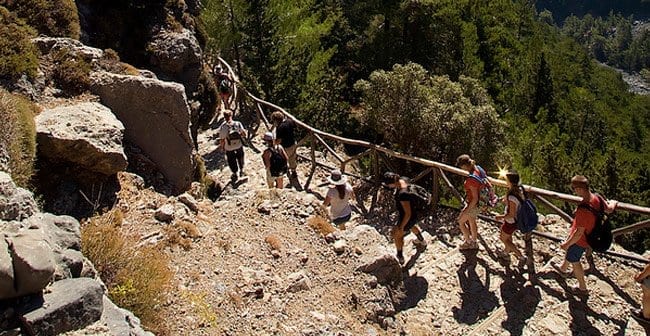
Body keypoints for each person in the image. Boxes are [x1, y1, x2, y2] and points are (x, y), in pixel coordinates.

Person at [552, 175, 616, 295]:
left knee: (574, 260)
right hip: (592, 235)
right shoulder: (597, 197)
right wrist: (614, 202)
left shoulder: (583, 209)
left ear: (580, 189)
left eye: (574, 188)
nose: (574, 191)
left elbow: (578, 233)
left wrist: (566, 244)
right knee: (571, 254)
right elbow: (609, 209)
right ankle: (563, 269)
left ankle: (582, 288)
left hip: (581, 240)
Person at [382, 172, 427, 265]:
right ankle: (422, 240)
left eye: (389, 185)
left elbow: (407, 213)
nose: (389, 187)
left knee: (398, 235)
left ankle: (400, 256)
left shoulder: (403, 194)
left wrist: (401, 227)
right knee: (411, 225)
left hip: (410, 215)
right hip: (417, 211)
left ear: (392, 183)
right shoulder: (404, 178)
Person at [494, 171, 526, 268]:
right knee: (508, 237)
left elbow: (511, 214)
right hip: (516, 221)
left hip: (511, 222)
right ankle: (506, 253)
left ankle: (521, 256)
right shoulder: (519, 190)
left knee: (503, 238)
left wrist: (500, 216)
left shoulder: (512, 196)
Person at [456, 154, 482, 250]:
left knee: (461, 221)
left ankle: (468, 242)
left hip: (474, 204)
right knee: (472, 221)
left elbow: (474, 198)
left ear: (464, 165)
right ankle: (474, 242)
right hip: (481, 204)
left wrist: (467, 210)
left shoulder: (471, 180)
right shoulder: (478, 169)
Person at [218, 109, 247, 181]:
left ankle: (235, 173)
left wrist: (222, 147)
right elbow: (244, 134)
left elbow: (222, 139)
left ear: (224, 117)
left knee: (231, 160)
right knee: (240, 157)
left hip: (229, 146)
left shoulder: (223, 126)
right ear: (231, 115)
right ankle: (242, 170)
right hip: (238, 145)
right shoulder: (237, 123)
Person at [271, 111, 298, 179]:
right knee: (292, 158)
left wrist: (273, 143)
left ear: (276, 120)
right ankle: (293, 171)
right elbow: (295, 126)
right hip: (293, 143)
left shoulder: (280, 127)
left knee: (283, 159)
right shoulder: (289, 121)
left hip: (285, 147)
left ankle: (283, 171)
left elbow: (279, 140)